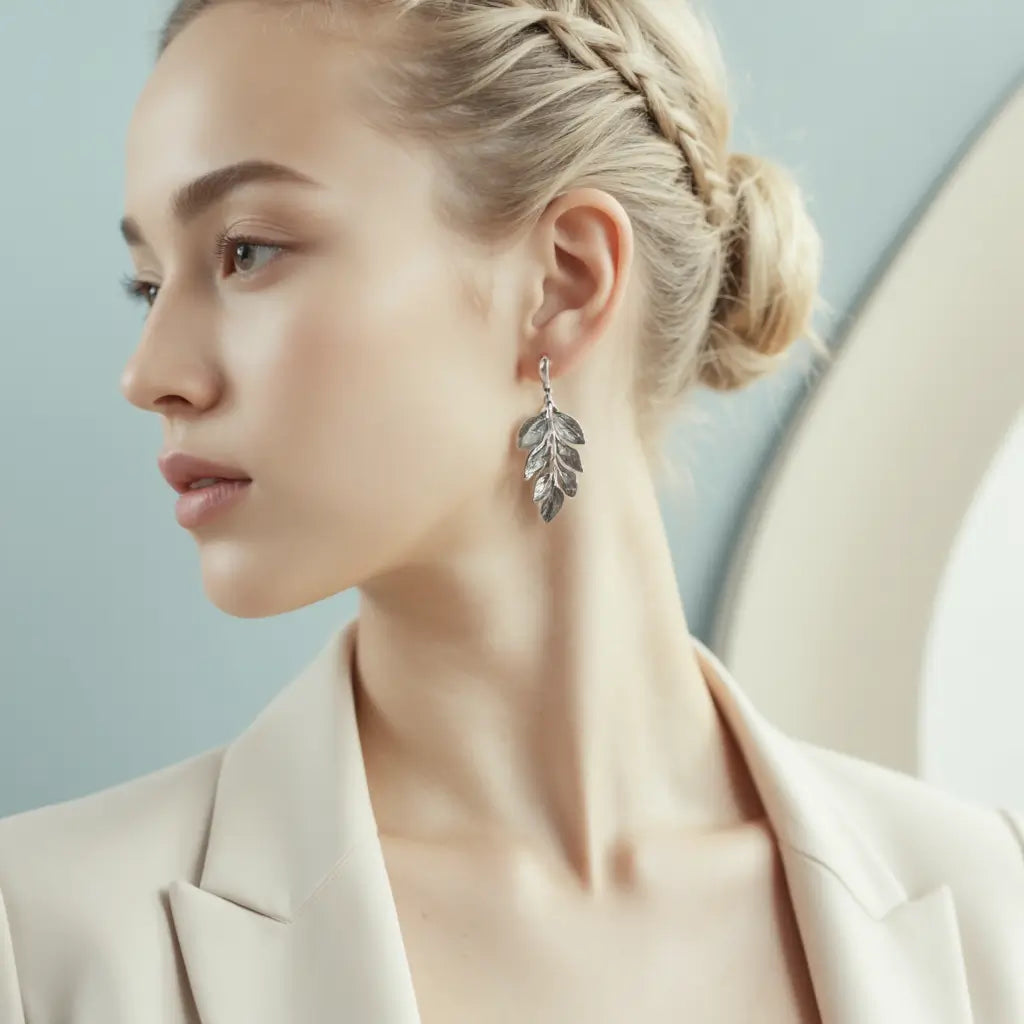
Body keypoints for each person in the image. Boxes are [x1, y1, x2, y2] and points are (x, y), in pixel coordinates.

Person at [1, 1, 1021, 1021]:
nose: (150, 374)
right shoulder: (41, 937)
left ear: (563, 283)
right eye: (148, 283)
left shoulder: (992, 908)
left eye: (247, 252)